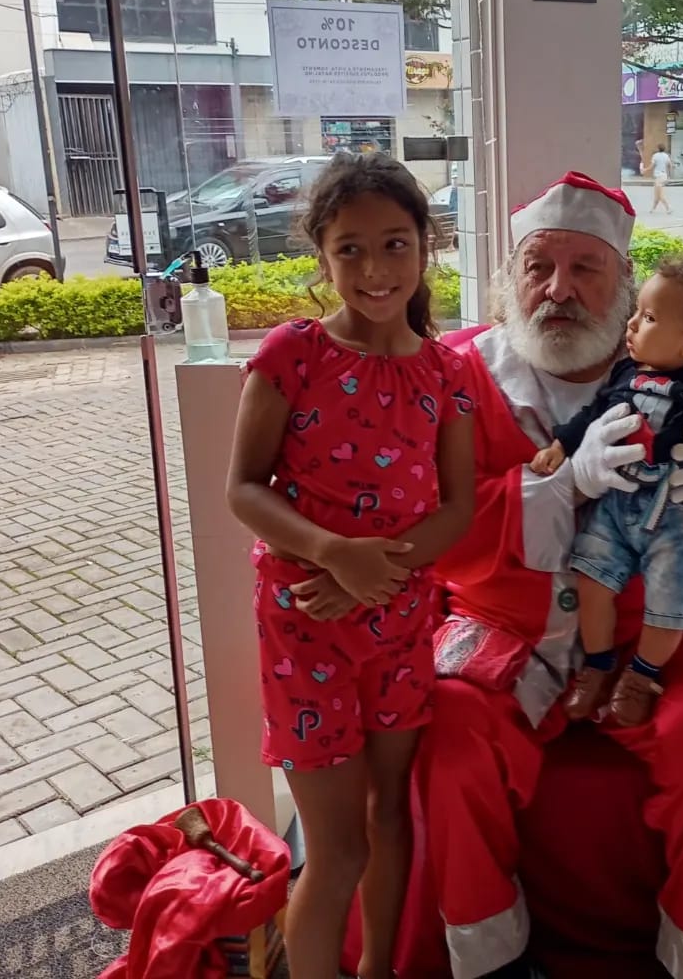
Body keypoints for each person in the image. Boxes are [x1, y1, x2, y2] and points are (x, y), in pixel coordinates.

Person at [412, 170, 683, 979]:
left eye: (585, 269)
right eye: (539, 267)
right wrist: (560, 485)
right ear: (512, 280)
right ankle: (491, 960)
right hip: (503, 624)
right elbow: (437, 523)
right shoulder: (458, 376)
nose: (559, 290)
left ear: (623, 288)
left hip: (649, 629)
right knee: (452, 738)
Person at [226, 153, 475, 979]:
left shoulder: (446, 372)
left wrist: (377, 575)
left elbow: (456, 508)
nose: (375, 270)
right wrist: (334, 557)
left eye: (395, 245)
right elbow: (244, 488)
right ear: (323, 256)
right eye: (351, 250)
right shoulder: (293, 353)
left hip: (400, 622)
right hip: (305, 628)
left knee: (390, 822)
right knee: (334, 850)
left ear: (426, 247)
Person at [529, 259, 683, 726]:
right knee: (590, 582)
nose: (631, 324)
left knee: (669, 604)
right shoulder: (625, 372)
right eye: (637, 312)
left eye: (649, 318)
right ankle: (598, 664)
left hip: (672, 513)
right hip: (614, 504)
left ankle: (642, 675)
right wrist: (562, 445)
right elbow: (593, 413)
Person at [648, 145, 673, 214]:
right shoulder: (666, 156)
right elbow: (670, 165)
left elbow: (652, 166)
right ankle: (653, 209)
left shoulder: (655, 156)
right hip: (663, 176)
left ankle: (668, 208)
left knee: (660, 195)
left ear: (658, 148)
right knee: (656, 194)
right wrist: (669, 175)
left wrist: (645, 170)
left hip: (658, 177)